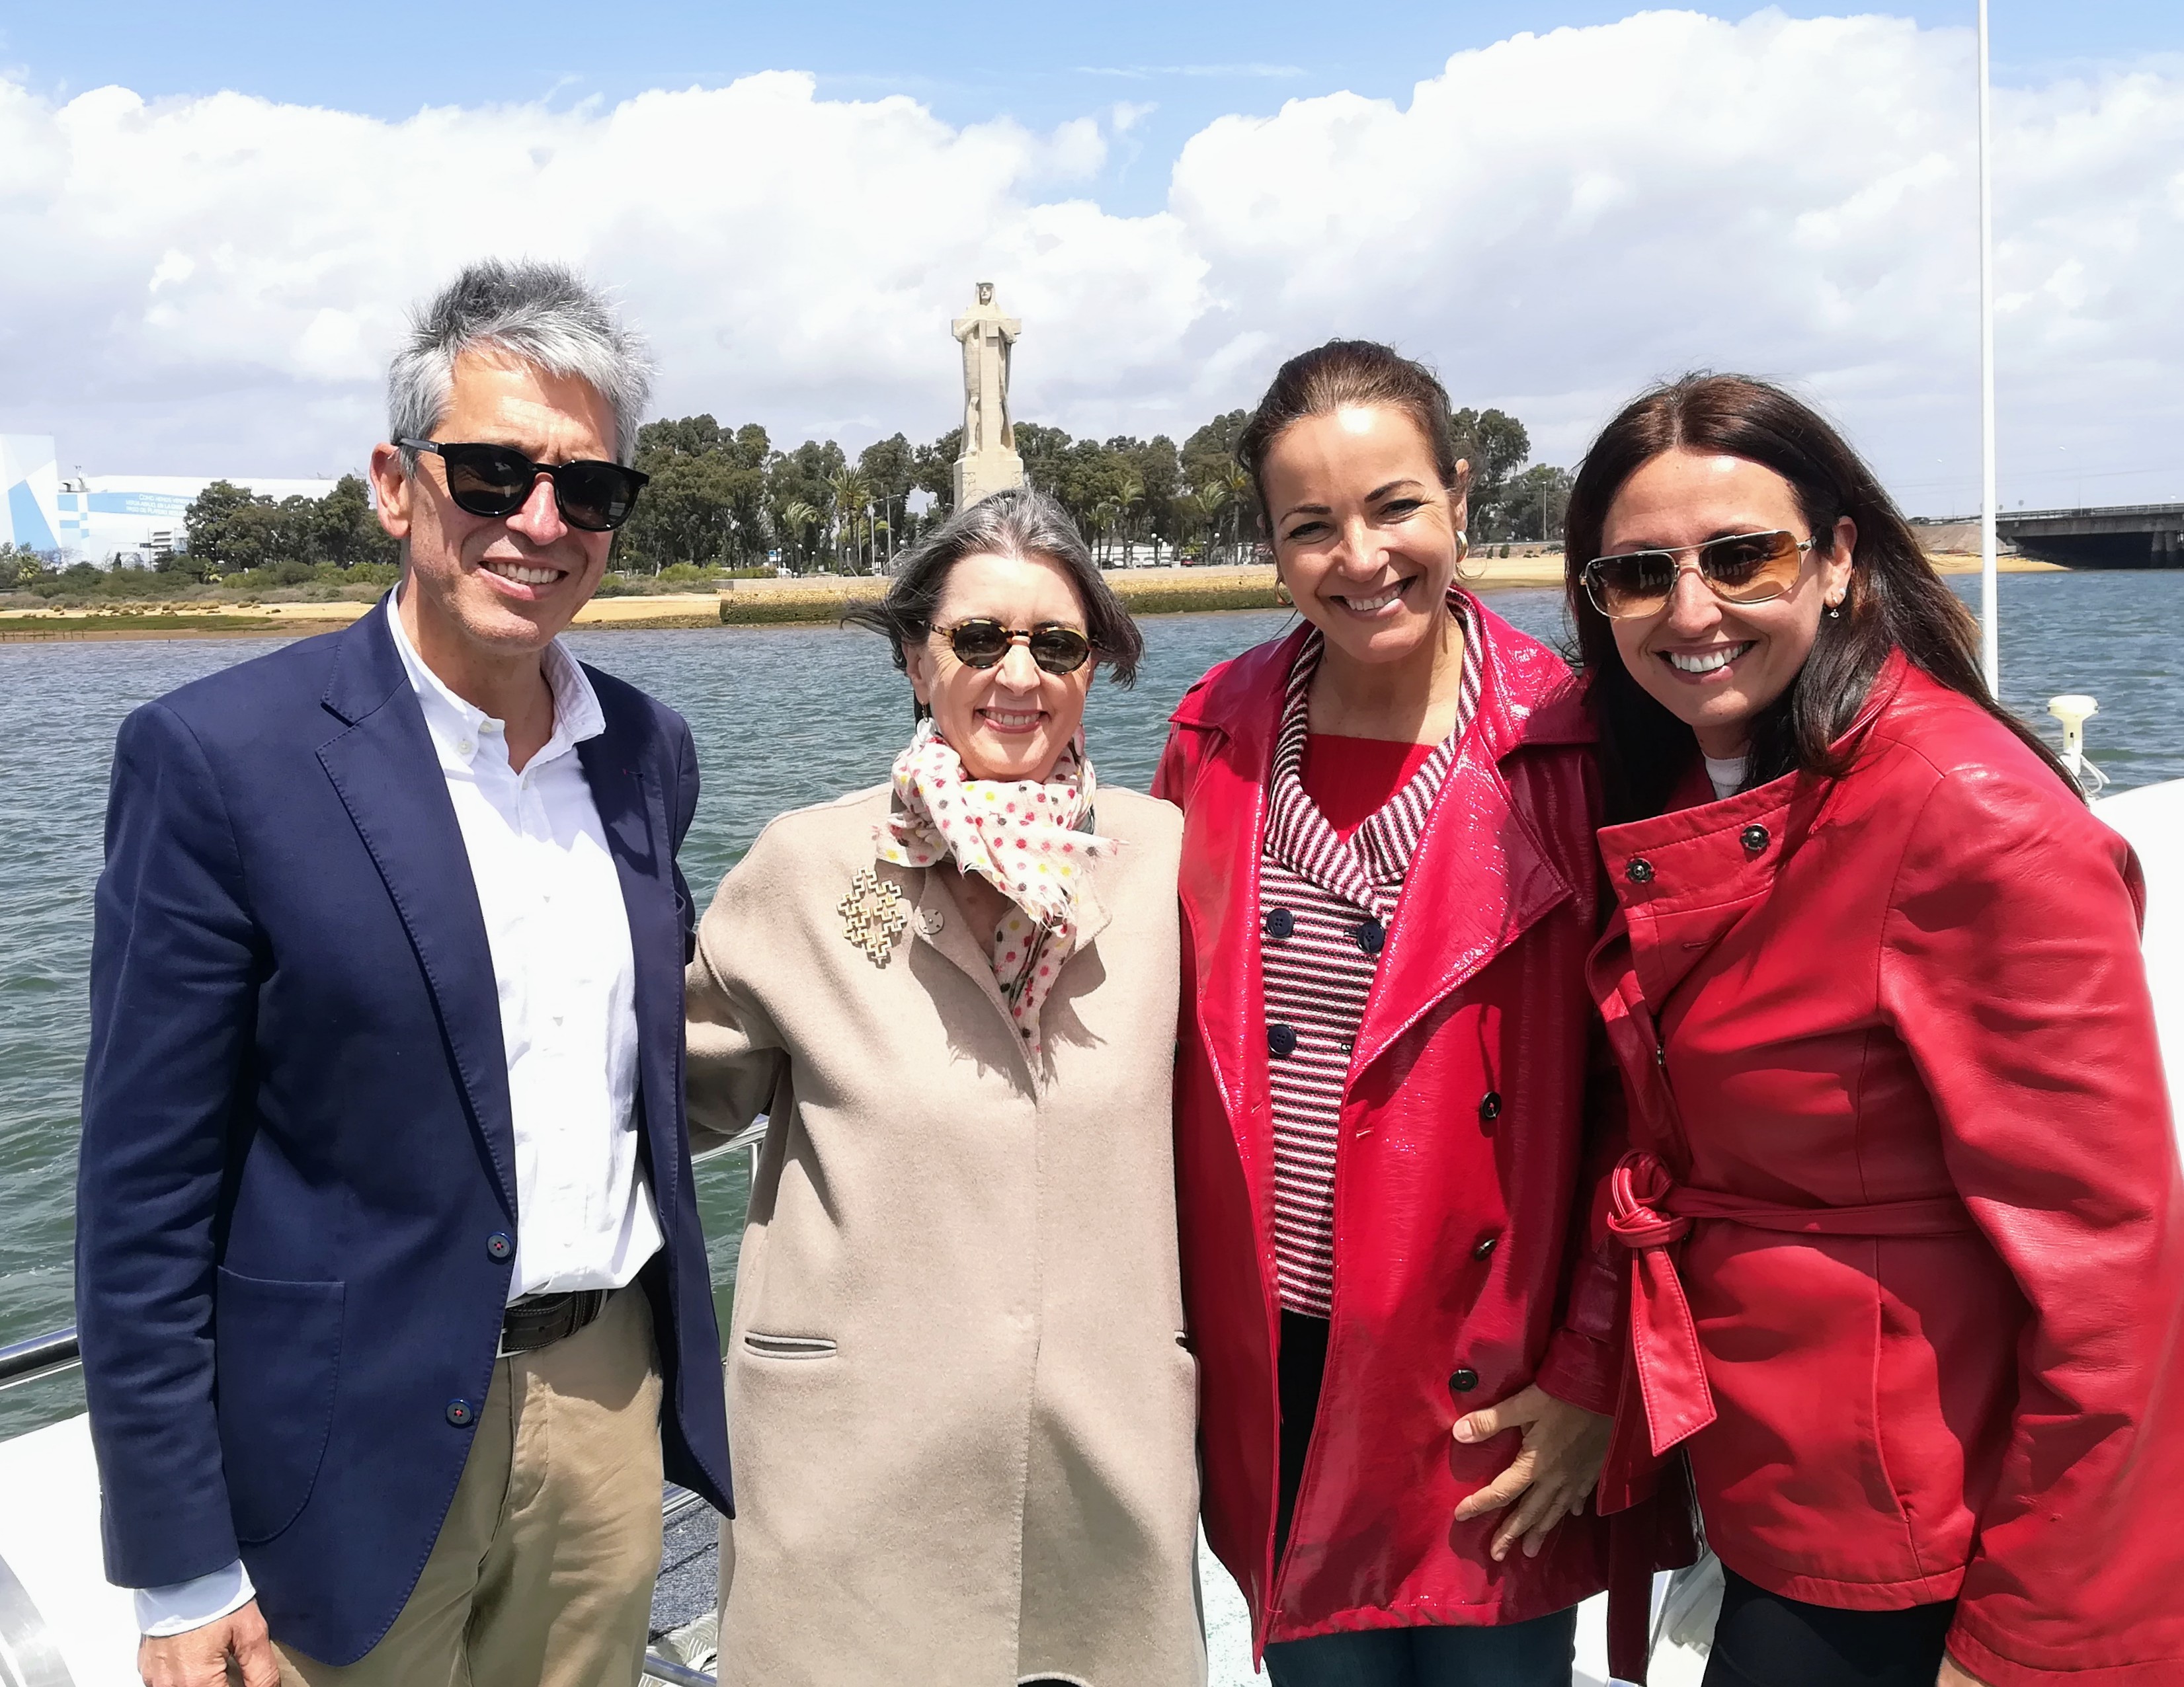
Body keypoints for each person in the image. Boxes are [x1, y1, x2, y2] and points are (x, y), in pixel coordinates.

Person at [75, 259, 732, 1687]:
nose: (541, 524)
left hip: (604, 1391)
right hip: (339, 1434)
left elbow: (657, 1057)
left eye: (590, 490)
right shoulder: (220, 759)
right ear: (396, 484)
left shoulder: (645, 751)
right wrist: (179, 1561)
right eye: (493, 475)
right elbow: (143, 1194)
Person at [1566, 373, 2184, 1687]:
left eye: (1742, 556)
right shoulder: (1704, 772)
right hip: (1771, 1460)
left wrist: (2033, 1641)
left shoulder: (1969, 818)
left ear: (1837, 559)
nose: (1688, 610)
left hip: (1913, 1514)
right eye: (1635, 573)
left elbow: (2111, 1272)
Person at [1155, 341, 1670, 1687]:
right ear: (1269, 549)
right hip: (1280, 1355)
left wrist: (1588, 1373)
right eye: (1309, 526)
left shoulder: (1575, 739)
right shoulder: (1212, 733)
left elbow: (1649, 1099)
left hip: (1490, 1372)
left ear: (1457, 497)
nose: (1360, 556)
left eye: (1392, 506)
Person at [683, 488, 1204, 1686]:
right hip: (854, 1452)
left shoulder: (1174, 859)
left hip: (1105, 1447)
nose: (1016, 673)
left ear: (1094, 667)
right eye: (978, 640)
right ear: (919, 661)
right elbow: (670, 1107)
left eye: (1054, 644)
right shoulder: (806, 865)